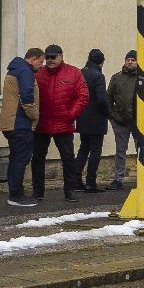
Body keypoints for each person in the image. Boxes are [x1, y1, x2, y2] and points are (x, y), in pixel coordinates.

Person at [33, 44, 87, 202]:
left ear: (61, 57)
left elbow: (83, 96)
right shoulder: (38, 73)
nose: (50, 60)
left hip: (63, 123)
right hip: (41, 124)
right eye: (47, 57)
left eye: (53, 57)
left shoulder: (74, 72)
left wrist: (71, 115)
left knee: (68, 158)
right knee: (37, 159)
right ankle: (38, 192)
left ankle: (69, 190)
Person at [0, 47, 42, 207]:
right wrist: (35, 115)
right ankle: (16, 195)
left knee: (16, 158)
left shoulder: (14, 69)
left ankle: (15, 193)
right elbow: (26, 97)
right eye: (41, 61)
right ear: (34, 58)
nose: (42, 65)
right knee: (20, 159)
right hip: (20, 123)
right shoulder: (25, 72)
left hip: (10, 122)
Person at [106, 49, 142, 190]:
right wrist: (112, 116)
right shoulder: (117, 78)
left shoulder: (142, 78)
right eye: (128, 59)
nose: (130, 61)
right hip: (120, 121)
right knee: (120, 151)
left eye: (133, 59)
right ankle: (118, 179)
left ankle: (143, 177)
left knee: (141, 150)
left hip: (138, 121)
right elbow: (108, 98)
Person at [77, 48, 111, 192]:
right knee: (95, 151)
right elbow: (102, 99)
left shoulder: (81, 73)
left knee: (83, 149)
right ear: (101, 62)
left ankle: (75, 179)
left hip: (82, 117)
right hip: (96, 119)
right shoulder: (98, 76)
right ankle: (91, 182)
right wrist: (109, 113)